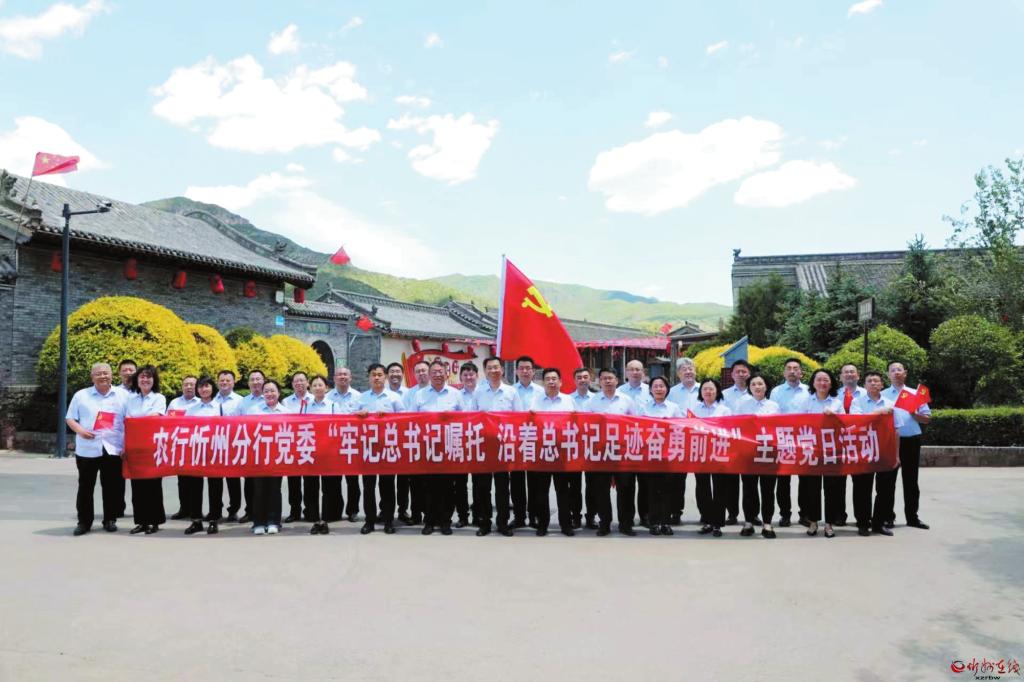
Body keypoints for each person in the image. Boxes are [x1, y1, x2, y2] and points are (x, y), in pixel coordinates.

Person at [65, 362, 127, 536]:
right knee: (85, 487)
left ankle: (110, 519)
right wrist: (80, 431)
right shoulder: (81, 395)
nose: (103, 376)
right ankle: (84, 522)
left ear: (112, 375)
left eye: (106, 373)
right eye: (98, 374)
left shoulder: (123, 395)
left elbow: (129, 421)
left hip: (113, 447)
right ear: (92, 377)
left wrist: (126, 445)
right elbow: (70, 418)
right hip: (88, 448)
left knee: (112, 487)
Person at [791, 369, 846, 538]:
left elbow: (845, 424)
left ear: (831, 383)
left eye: (826, 380)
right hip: (812, 451)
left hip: (832, 450)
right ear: (813, 383)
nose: (822, 383)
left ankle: (829, 524)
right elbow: (798, 424)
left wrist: (834, 416)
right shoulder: (806, 401)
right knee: (811, 488)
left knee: (832, 489)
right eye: (819, 380)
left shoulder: (837, 402)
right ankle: (813, 521)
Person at [412, 360, 463, 535]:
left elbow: (466, 419)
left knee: (448, 487)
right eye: (434, 372)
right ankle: (429, 521)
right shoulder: (420, 395)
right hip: (427, 448)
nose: (438, 375)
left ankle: (445, 521)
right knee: (427, 487)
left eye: (441, 371)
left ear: (447, 373)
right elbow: (411, 420)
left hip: (449, 447)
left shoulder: (456, 394)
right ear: (429, 375)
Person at [584, 368, 637, 536]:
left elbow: (636, 424)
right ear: (599, 382)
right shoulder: (592, 402)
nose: (607, 381)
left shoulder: (627, 400)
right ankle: (604, 523)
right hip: (600, 453)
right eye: (604, 378)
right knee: (601, 491)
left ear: (617, 381)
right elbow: (585, 425)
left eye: (610, 378)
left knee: (626, 489)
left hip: (623, 452)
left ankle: (626, 524)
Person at [473, 356, 521, 536]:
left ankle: (502, 523)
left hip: (503, 447)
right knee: (483, 487)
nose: (493, 371)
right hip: (483, 446)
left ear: (502, 370)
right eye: (489, 368)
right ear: (485, 371)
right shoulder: (478, 392)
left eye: (496, 367)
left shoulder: (511, 392)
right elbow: (472, 417)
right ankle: (484, 523)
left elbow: (518, 418)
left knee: (502, 488)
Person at [880, 361, 931, 530]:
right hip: (890, 441)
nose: (896, 372)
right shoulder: (882, 395)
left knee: (911, 480)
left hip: (911, 439)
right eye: (892, 370)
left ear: (905, 373)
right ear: (888, 375)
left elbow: (927, 418)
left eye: (899, 370)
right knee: (888, 481)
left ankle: (912, 517)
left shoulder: (915, 393)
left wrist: (914, 413)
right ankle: (888, 517)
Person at [356, 364, 404, 535]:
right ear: (369, 378)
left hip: (387, 448)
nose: (376, 377)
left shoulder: (394, 398)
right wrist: (359, 415)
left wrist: (390, 416)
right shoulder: (361, 398)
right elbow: (350, 420)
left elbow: (405, 420)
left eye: (379, 374)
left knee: (388, 486)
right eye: (373, 375)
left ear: (385, 377)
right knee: (368, 487)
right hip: (368, 448)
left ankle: (388, 521)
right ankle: (369, 521)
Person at [528, 368, 577, 537]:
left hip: (562, 453)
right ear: (543, 382)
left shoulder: (569, 400)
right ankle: (542, 524)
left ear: (560, 382)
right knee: (541, 492)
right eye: (548, 379)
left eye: (554, 378)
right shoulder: (535, 401)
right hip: (542, 453)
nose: (551, 381)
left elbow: (577, 422)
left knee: (563, 491)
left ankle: (566, 524)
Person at [735, 374, 781, 539]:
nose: (757, 387)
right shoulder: (743, 405)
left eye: (760, 383)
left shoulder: (774, 406)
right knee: (749, 489)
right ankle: (748, 522)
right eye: (753, 384)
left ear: (766, 386)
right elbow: (736, 426)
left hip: (769, 453)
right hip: (749, 454)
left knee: (768, 490)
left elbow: (779, 428)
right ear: (749, 388)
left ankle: (767, 523)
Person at [851, 372, 896, 536]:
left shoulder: (891, 403)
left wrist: (896, 455)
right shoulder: (857, 402)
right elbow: (857, 422)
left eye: (876, 381)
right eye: (869, 381)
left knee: (885, 489)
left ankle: (879, 523)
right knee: (862, 488)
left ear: (882, 385)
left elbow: (896, 430)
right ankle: (863, 523)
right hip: (863, 449)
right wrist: (879, 412)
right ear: (864, 385)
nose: (873, 383)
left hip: (885, 450)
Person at [123, 365, 167, 535]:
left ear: (154, 380)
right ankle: (141, 521)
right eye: (142, 376)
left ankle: (154, 521)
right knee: (137, 487)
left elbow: (155, 418)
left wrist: (137, 422)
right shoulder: (131, 399)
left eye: (149, 377)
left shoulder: (159, 398)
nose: (145, 380)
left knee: (153, 486)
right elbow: (127, 422)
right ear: (137, 380)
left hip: (152, 447)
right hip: (135, 447)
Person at [640, 376, 682, 536]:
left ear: (667, 389)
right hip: (650, 456)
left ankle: (666, 522)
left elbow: (680, 429)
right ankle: (654, 522)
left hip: (669, 456)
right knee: (652, 490)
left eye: (662, 386)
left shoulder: (674, 407)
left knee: (668, 490)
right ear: (650, 390)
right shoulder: (644, 408)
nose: (658, 389)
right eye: (655, 386)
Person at [770, 358, 809, 527]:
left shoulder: (809, 391)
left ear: (801, 372)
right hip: (783, 440)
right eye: (789, 368)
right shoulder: (776, 391)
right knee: (783, 480)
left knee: (805, 480)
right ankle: (785, 514)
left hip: (804, 439)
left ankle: (805, 514)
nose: (792, 371)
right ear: (784, 372)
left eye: (796, 368)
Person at [693, 379, 732, 538]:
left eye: (711, 389)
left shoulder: (725, 410)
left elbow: (729, 431)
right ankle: (707, 520)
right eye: (705, 389)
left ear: (717, 392)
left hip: (719, 453)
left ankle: (717, 523)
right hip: (700, 453)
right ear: (701, 392)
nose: (708, 392)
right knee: (702, 488)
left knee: (719, 488)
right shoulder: (694, 409)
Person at [247, 380, 287, 534]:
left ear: (278, 393)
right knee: (259, 489)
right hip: (258, 457)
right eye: (266, 391)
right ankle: (258, 522)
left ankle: (274, 521)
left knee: (274, 489)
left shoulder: (286, 412)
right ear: (262, 394)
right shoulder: (254, 411)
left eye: (272, 391)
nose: (270, 394)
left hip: (277, 457)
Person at [617, 360, 653, 527]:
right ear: (626, 372)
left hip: (646, 443)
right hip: (624, 446)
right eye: (631, 369)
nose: (635, 372)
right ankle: (627, 519)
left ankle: (645, 516)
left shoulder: (651, 390)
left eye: (638, 369)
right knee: (625, 485)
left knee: (645, 484)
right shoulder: (619, 392)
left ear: (643, 372)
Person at [718, 360, 754, 525]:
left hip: (750, 442)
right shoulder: (724, 394)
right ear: (731, 374)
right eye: (737, 371)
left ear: (749, 374)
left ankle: (752, 515)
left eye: (744, 371)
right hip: (730, 442)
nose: (740, 374)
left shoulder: (755, 391)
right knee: (730, 482)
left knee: (750, 481)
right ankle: (732, 513)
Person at [183, 377, 220, 535]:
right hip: (196, 451)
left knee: (215, 486)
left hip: (215, 451)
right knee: (194, 487)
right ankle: (196, 520)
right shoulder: (192, 408)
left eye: (207, 386)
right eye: (201, 387)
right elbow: (185, 428)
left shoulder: (219, 406)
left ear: (212, 388)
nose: (204, 389)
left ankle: (214, 520)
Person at [327, 366, 363, 524]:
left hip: (352, 444)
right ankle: (335, 511)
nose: (342, 377)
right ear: (334, 378)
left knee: (352, 481)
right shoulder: (328, 397)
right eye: (339, 375)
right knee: (334, 481)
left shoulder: (359, 397)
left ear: (350, 378)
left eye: (345, 374)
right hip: (332, 444)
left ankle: (353, 511)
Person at [667, 357, 700, 525]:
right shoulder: (672, 392)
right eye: (684, 369)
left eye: (690, 368)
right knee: (677, 480)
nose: (688, 372)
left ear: (695, 371)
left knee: (703, 480)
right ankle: (675, 511)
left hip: (701, 440)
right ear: (678, 374)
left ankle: (706, 514)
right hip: (679, 440)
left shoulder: (705, 388)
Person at [208, 369, 244, 524]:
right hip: (214, 445)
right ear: (217, 382)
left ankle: (233, 510)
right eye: (222, 380)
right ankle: (215, 511)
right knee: (214, 481)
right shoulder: (210, 400)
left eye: (228, 380)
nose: (224, 383)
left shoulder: (240, 401)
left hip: (232, 445)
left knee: (233, 480)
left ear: (234, 382)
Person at [303, 375, 337, 534]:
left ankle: (326, 519)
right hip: (310, 451)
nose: (317, 387)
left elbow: (339, 426)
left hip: (328, 451)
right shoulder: (305, 406)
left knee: (328, 487)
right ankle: (314, 519)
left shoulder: (333, 405)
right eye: (314, 385)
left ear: (327, 388)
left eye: (320, 385)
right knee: (311, 486)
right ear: (310, 388)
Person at [834, 363, 867, 526]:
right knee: (838, 483)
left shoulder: (867, 394)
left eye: (852, 372)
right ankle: (839, 515)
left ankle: (862, 519)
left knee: (861, 483)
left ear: (858, 375)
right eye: (845, 372)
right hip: (839, 443)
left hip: (860, 443)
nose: (849, 374)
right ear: (840, 377)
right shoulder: (834, 395)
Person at [513, 356, 543, 528]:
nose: (525, 371)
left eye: (528, 368)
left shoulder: (541, 391)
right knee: (516, 481)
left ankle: (534, 515)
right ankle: (519, 516)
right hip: (515, 442)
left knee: (535, 481)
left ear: (533, 371)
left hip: (534, 440)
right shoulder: (510, 391)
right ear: (516, 371)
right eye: (521, 368)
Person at [401, 360, 431, 525]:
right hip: (415, 443)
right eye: (418, 371)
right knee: (415, 482)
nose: (421, 374)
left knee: (430, 482)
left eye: (424, 370)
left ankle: (430, 514)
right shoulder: (409, 393)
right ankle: (416, 514)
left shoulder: (435, 390)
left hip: (433, 444)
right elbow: (406, 416)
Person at [167, 375, 199, 521]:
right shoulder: (174, 403)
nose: (189, 387)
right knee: (182, 480)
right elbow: (166, 423)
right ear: (182, 386)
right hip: (179, 445)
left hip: (196, 446)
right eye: (186, 384)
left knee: (196, 480)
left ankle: (195, 510)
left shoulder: (201, 403)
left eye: (192, 384)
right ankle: (184, 508)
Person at [282, 372, 312, 523]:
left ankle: (310, 511)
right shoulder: (286, 402)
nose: (299, 383)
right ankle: (295, 511)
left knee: (310, 482)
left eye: (302, 380)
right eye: (296, 381)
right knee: (293, 482)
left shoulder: (314, 399)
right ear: (292, 384)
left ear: (307, 383)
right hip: (292, 446)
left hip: (309, 445)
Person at [237, 369, 265, 524]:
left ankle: (266, 512)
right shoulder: (243, 402)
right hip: (249, 448)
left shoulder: (270, 398)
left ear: (264, 381)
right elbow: (234, 422)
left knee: (267, 483)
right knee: (249, 482)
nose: (255, 382)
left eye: (258, 379)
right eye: (252, 379)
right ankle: (250, 511)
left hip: (267, 447)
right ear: (248, 383)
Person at [452, 362, 478, 528]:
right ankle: (463, 516)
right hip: (459, 444)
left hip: (479, 443)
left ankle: (478, 515)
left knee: (479, 483)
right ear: (460, 377)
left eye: (471, 374)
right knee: (460, 483)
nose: (469, 378)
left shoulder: (483, 393)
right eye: (465, 375)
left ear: (477, 376)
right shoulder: (455, 395)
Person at [111, 358, 137, 517]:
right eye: (124, 370)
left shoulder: (141, 391)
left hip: (137, 440)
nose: (128, 373)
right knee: (116, 477)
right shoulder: (113, 392)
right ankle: (117, 508)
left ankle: (139, 510)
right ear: (119, 373)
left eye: (131, 370)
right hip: (116, 440)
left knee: (138, 477)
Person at [569, 367, 593, 529]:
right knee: (574, 485)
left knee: (593, 485)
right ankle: (575, 516)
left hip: (593, 447)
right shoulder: (567, 399)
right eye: (579, 377)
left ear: (590, 379)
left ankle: (591, 516)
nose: (582, 380)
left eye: (585, 377)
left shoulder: (598, 398)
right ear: (574, 380)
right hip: (573, 447)